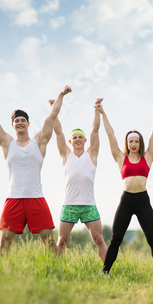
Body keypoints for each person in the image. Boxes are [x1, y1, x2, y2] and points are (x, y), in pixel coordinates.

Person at [0, 86, 72, 256]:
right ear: (13, 125)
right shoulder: (7, 143)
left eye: (22, 120)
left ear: (28, 123)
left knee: (48, 240)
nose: (20, 123)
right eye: (16, 121)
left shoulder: (38, 142)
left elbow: (52, 116)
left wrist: (61, 95)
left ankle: (54, 273)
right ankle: (3, 274)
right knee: (4, 241)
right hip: (13, 198)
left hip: (36, 198)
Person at [95, 99, 153, 275]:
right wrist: (103, 113)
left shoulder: (147, 157)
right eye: (130, 141)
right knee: (116, 239)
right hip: (126, 201)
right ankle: (105, 273)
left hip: (143, 201)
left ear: (140, 143)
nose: (133, 144)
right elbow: (110, 135)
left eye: (136, 141)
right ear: (127, 144)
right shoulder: (121, 158)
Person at [50, 98, 107, 262]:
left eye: (80, 137)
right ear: (70, 141)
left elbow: (95, 130)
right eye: (74, 137)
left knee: (99, 240)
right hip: (70, 204)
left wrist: (96, 110)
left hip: (89, 205)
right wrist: (54, 109)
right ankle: (57, 269)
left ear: (84, 140)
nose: (77, 139)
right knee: (62, 241)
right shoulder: (65, 155)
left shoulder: (92, 155)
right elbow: (58, 132)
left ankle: (106, 271)